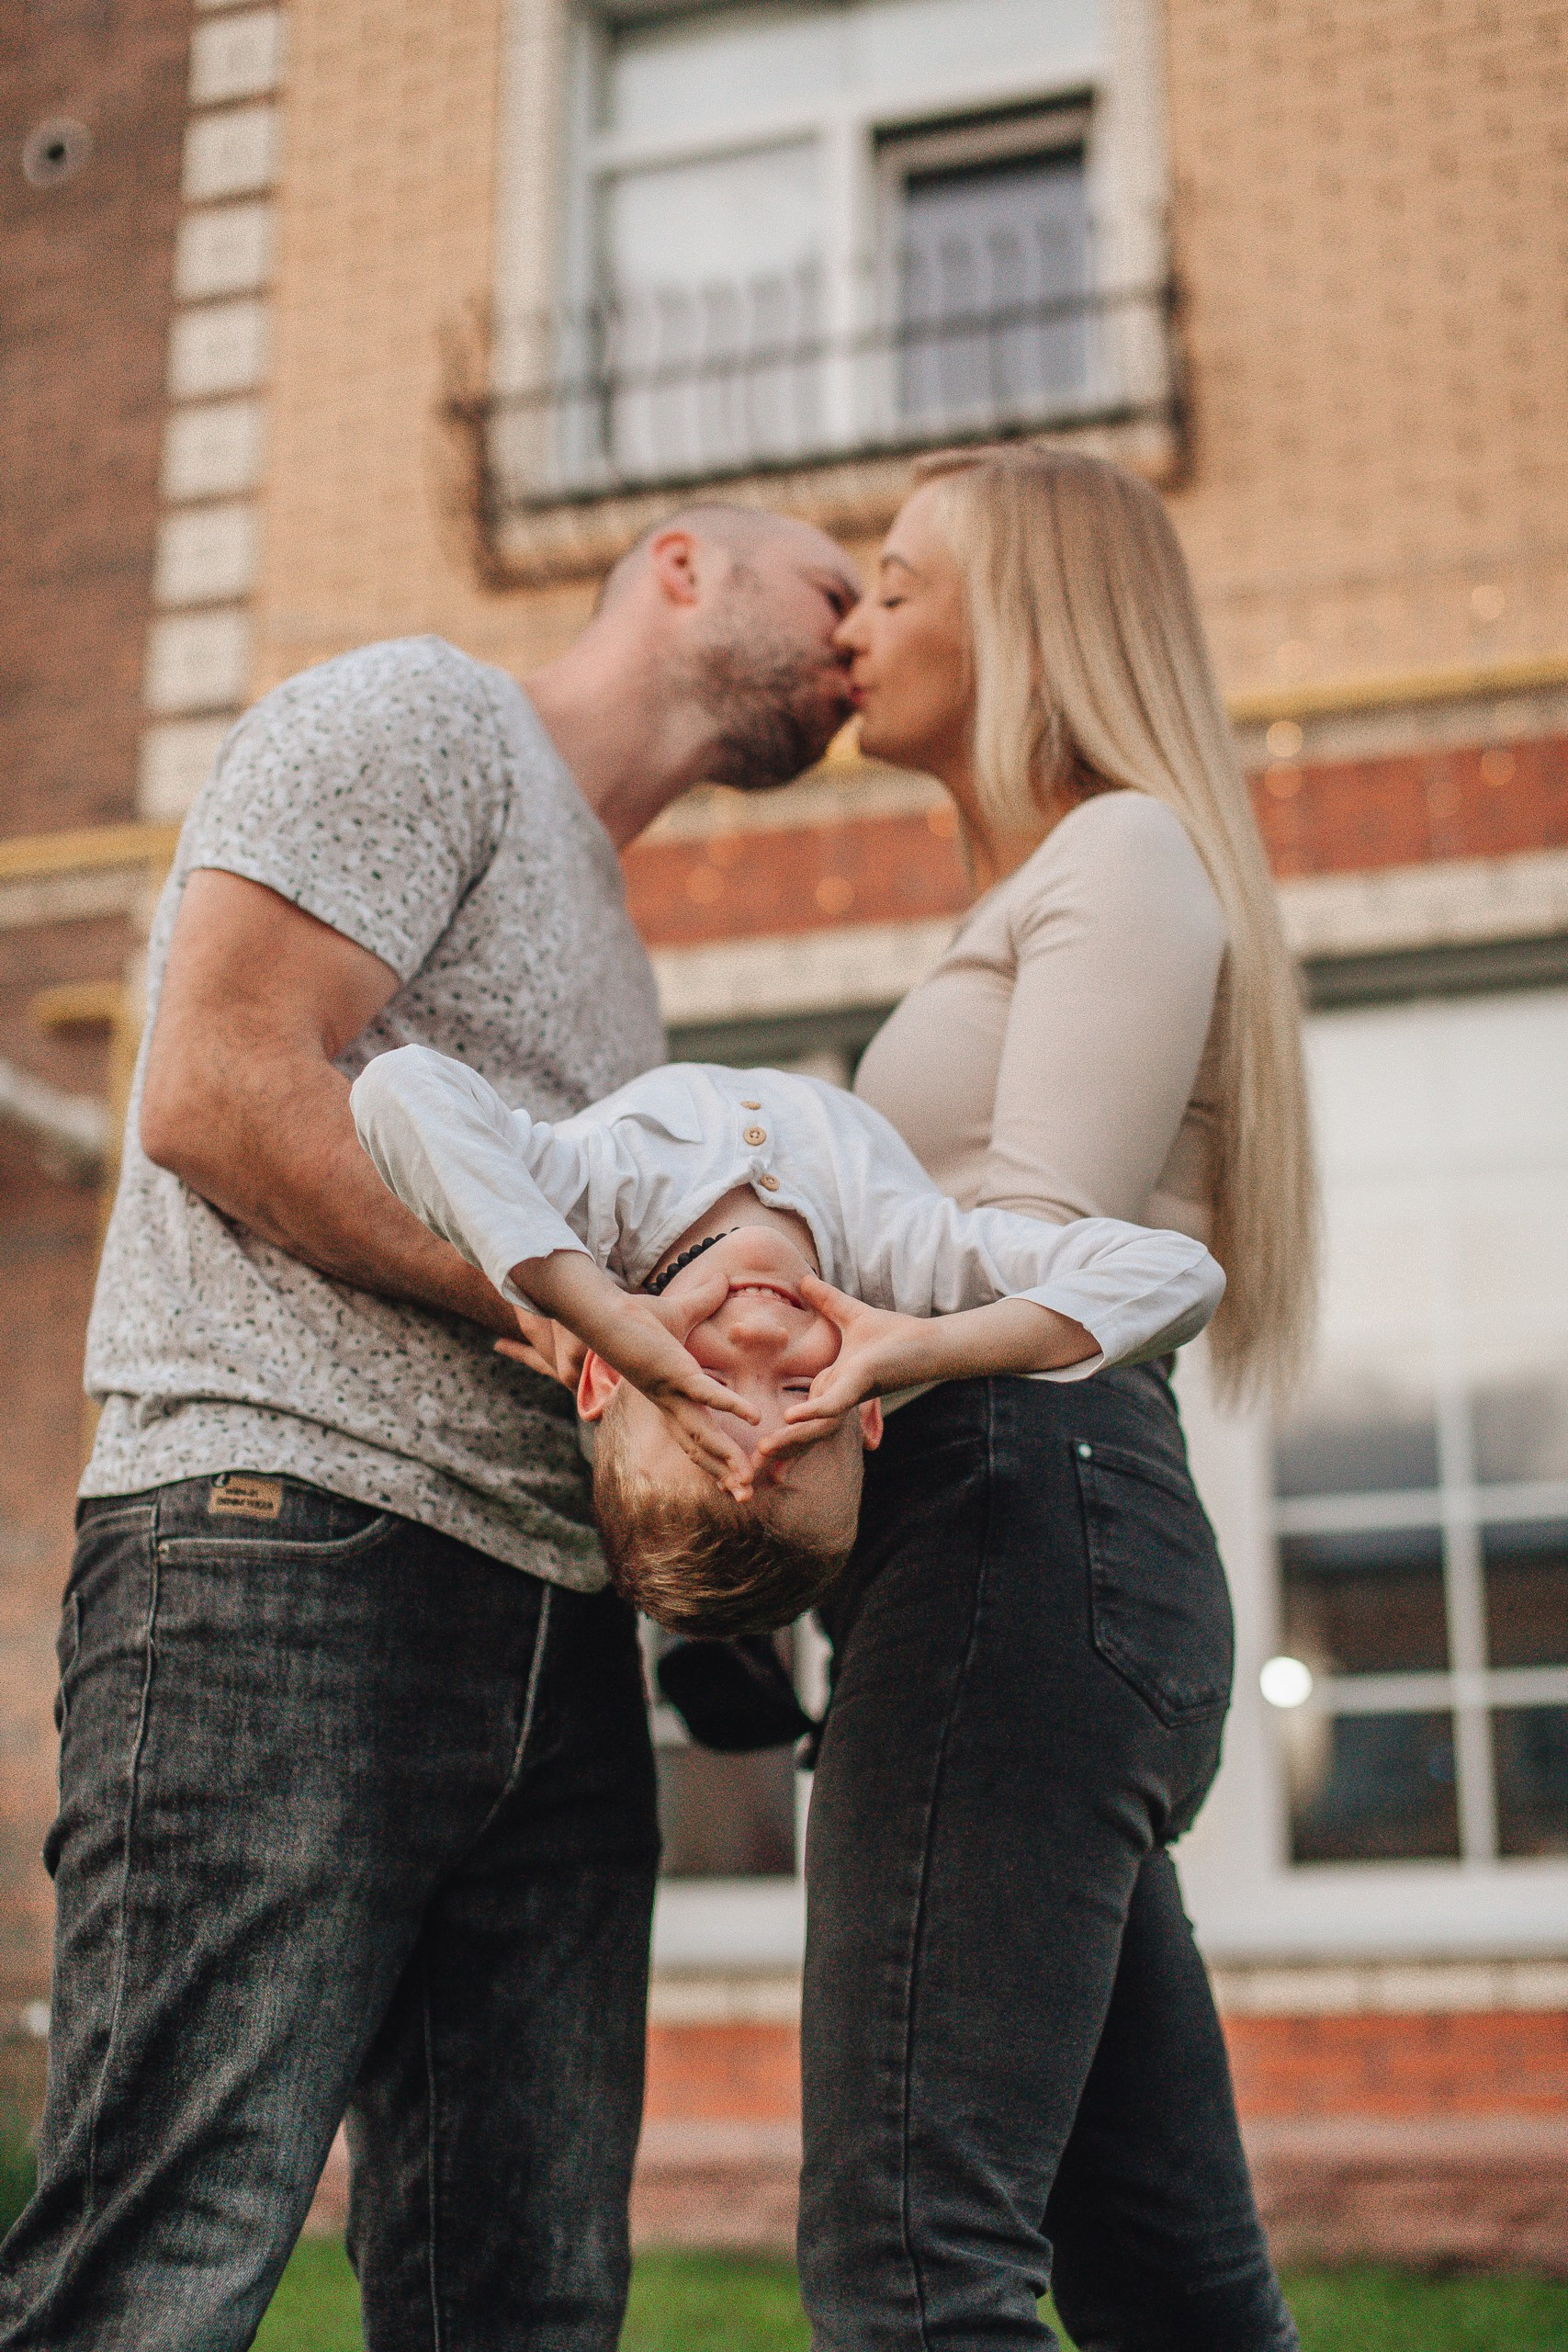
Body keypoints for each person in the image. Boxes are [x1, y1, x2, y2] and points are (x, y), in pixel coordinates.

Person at [0, 505, 863, 2352]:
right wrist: (584, 1317)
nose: (863, 630)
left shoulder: (615, 952)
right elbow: (221, 1092)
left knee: (526, 2300)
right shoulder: (420, 721)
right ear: (680, 561)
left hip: (554, 1625)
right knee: (157, 2265)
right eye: (837, 581)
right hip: (287, 1547)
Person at [797, 448, 1317, 2352]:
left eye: (896, 581)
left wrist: (763, 1262)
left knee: (914, 2274)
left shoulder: (1119, 849)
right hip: (1032, 1546)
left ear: (1021, 619)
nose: (851, 621)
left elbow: (1032, 1250)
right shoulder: (1066, 874)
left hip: (1016, 1526)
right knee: (1168, 2291)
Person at [349, 1044, 1225, 1633]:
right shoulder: (904, 1264)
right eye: (807, 1398)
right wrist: (930, 1348)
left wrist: (591, 1308)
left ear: (608, 1378)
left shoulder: (597, 1206)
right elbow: (1181, 1276)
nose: (763, 1336)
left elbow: (399, 1086)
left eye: (693, 1384)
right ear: (869, 1410)